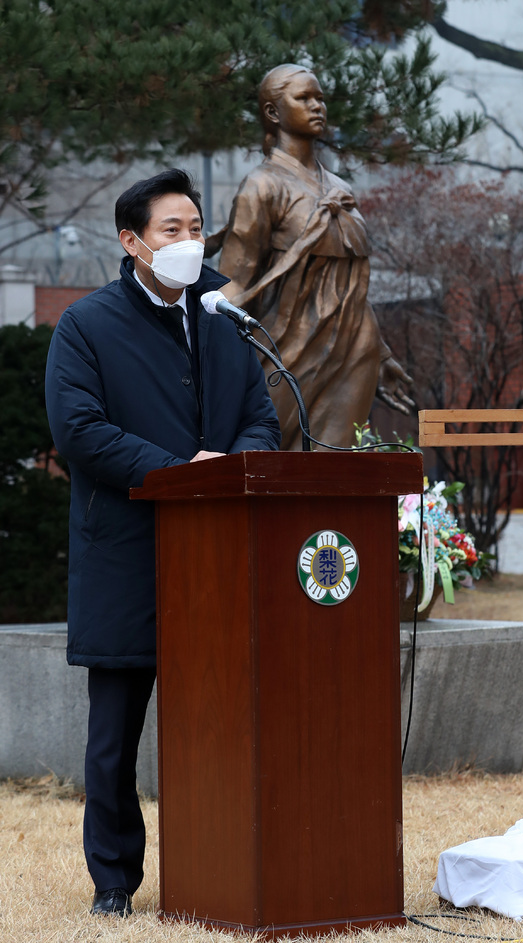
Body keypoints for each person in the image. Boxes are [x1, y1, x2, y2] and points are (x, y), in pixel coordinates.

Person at [45, 169, 281, 917]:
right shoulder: (86, 326)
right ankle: (113, 882)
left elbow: (261, 422)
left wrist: (229, 465)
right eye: (172, 230)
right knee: (114, 738)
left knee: (223, 724)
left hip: (219, 563)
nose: (189, 242)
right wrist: (182, 473)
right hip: (128, 557)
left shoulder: (221, 320)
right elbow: (80, 434)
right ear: (132, 241)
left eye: (195, 228)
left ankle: (221, 866)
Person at [205, 63, 413, 450]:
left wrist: (381, 353)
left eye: (320, 98)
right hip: (289, 346)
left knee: (334, 464)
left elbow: (350, 285)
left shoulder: (340, 188)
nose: (318, 106)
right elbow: (234, 283)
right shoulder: (261, 185)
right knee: (275, 459)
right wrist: (208, 356)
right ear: (272, 112)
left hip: (356, 344)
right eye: (304, 98)